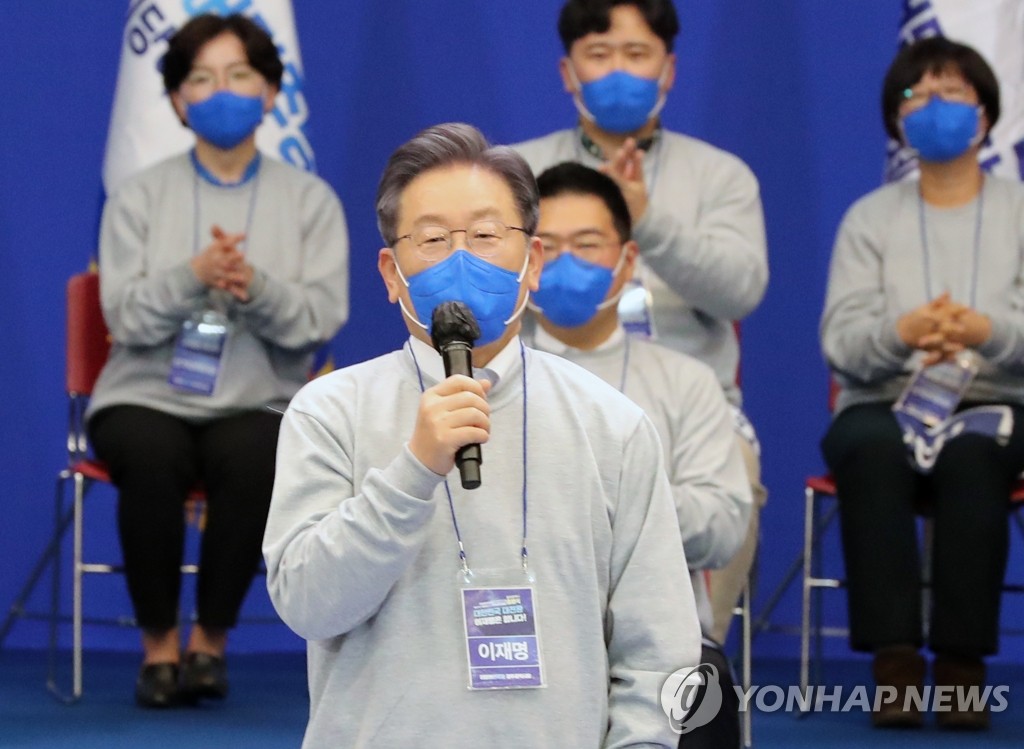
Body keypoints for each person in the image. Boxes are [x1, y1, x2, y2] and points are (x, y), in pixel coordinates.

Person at [263, 123, 700, 748]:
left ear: (533, 261)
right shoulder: (329, 411)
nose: (462, 260)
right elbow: (307, 604)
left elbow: (659, 646)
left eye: (488, 235)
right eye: (434, 238)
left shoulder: (612, 425)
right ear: (391, 273)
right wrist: (414, 470)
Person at [87, 13, 349, 708]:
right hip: (143, 391)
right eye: (201, 79)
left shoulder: (311, 201)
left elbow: (318, 325)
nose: (221, 91)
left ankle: (209, 639)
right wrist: (193, 276)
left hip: (258, 392)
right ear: (176, 100)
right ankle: (158, 649)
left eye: (240, 76)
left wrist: (254, 288)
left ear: (270, 93)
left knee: (260, 447)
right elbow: (124, 320)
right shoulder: (138, 197)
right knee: (147, 450)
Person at [512, 0, 768, 644]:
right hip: (539, 388)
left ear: (669, 69)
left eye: (636, 55)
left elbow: (741, 292)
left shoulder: (720, 176)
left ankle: (697, 651)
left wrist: (647, 221)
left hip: (687, 407)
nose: (618, 71)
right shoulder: (512, 171)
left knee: (733, 467)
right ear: (568, 72)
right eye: (599, 57)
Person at [820, 36, 1024, 730]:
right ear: (897, 121)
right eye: (917, 96)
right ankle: (897, 665)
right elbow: (842, 343)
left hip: (993, 399)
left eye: (953, 94)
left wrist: (982, 331)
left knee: (976, 452)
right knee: (870, 445)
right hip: (884, 400)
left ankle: (963, 669)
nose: (935, 107)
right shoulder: (868, 219)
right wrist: (903, 332)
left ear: (986, 116)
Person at [524, 161, 751, 748]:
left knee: (702, 701)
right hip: (518, 642)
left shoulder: (688, 381)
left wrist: (604, 498)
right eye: (546, 247)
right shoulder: (487, 379)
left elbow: (723, 527)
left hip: (661, 642)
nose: (566, 262)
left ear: (626, 262)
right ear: (523, 261)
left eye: (587, 244)